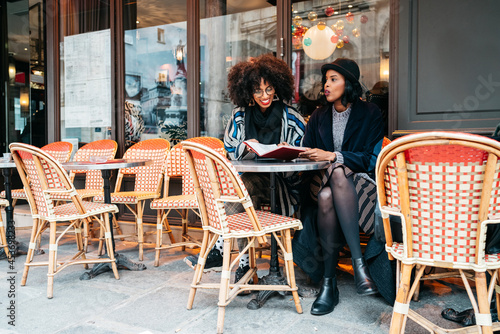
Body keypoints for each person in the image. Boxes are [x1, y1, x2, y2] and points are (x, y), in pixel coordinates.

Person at [184, 53, 306, 284]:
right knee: (242, 191)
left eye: (269, 89)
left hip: (283, 183)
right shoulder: (239, 115)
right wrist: (248, 148)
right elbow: (230, 148)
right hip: (250, 181)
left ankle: (230, 257)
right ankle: (242, 264)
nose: (264, 96)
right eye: (258, 90)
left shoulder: (291, 116)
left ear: (278, 88)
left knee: (240, 192)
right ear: (248, 91)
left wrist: (286, 149)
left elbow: (302, 150)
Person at [297, 58, 384, 315]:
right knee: (329, 182)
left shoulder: (370, 113)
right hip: (322, 179)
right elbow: (308, 151)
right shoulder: (319, 116)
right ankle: (360, 266)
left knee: (327, 196)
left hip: (360, 185)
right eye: (326, 80)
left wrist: (335, 157)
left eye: (333, 79)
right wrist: (314, 155)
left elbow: (371, 158)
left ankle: (329, 283)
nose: (326, 85)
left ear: (349, 84)